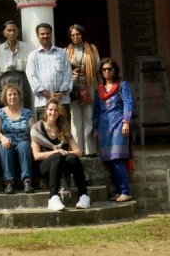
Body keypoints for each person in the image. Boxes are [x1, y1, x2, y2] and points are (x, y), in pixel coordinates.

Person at [31, 100, 90, 211]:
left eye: (56, 110)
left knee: (72, 158)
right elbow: (36, 155)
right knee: (56, 157)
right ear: (46, 111)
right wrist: (56, 151)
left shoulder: (63, 128)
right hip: (43, 167)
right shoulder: (37, 128)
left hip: (61, 164)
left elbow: (78, 152)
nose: (53, 113)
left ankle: (84, 195)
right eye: (51, 110)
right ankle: (53, 197)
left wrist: (66, 152)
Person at [92, 57, 133, 202]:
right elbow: (96, 110)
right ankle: (117, 190)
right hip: (104, 128)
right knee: (109, 160)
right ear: (101, 72)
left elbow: (128, 103)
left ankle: (125, 191)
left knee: (117, 158)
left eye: (109, 69)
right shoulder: (99, 90)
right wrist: (95, 128)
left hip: (118, 125)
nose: (107, 72)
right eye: (104, 69)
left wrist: (126, 122)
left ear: (114, 70)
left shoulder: (122, 86)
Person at [0, 82, 36, 193]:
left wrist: (33, 144)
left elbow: (34, 131)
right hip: (7, 140)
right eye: (10, 95)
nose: (13, 97)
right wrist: (2, 138)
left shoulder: (27, 112)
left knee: (24, 146)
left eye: (15, 94)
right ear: (5, 97)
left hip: (23, 141)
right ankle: (9, 182)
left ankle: (27, 181)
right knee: (4, 148)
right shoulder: (0, 112)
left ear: (19, 96)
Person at [66, 24, 100, 156]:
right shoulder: (66, 51)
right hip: (73, 89)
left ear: (82, 34)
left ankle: (90, 150)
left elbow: (97, 68)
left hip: (89, 86)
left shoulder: (91, 49)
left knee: (88, 117)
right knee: (75, 119)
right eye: (73, 35)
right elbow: (63, 70)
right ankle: (78, 150)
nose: (75, 37)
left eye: (78, 34)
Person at [25, 23, 71, 108]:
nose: (45, 35)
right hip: (43, 102)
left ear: (51, 34)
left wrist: (60, 93)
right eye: (42, 34)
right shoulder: (33, 56)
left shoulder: (62, 53)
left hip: (62, 101)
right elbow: (32, 77)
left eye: (48, 33)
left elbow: (68, 74)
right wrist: (48, 95)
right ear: (37, 35)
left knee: (64, 122)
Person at [0, 20, 34, 108]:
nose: (12, 33)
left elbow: (30, 68)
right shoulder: (0, 49)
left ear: (18, 32)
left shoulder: (25, 47)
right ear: (4, 33)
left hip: (22, 81)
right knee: (8, 109)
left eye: (14, 30)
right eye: (9, 30)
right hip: (5, 81)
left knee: (23, 108)